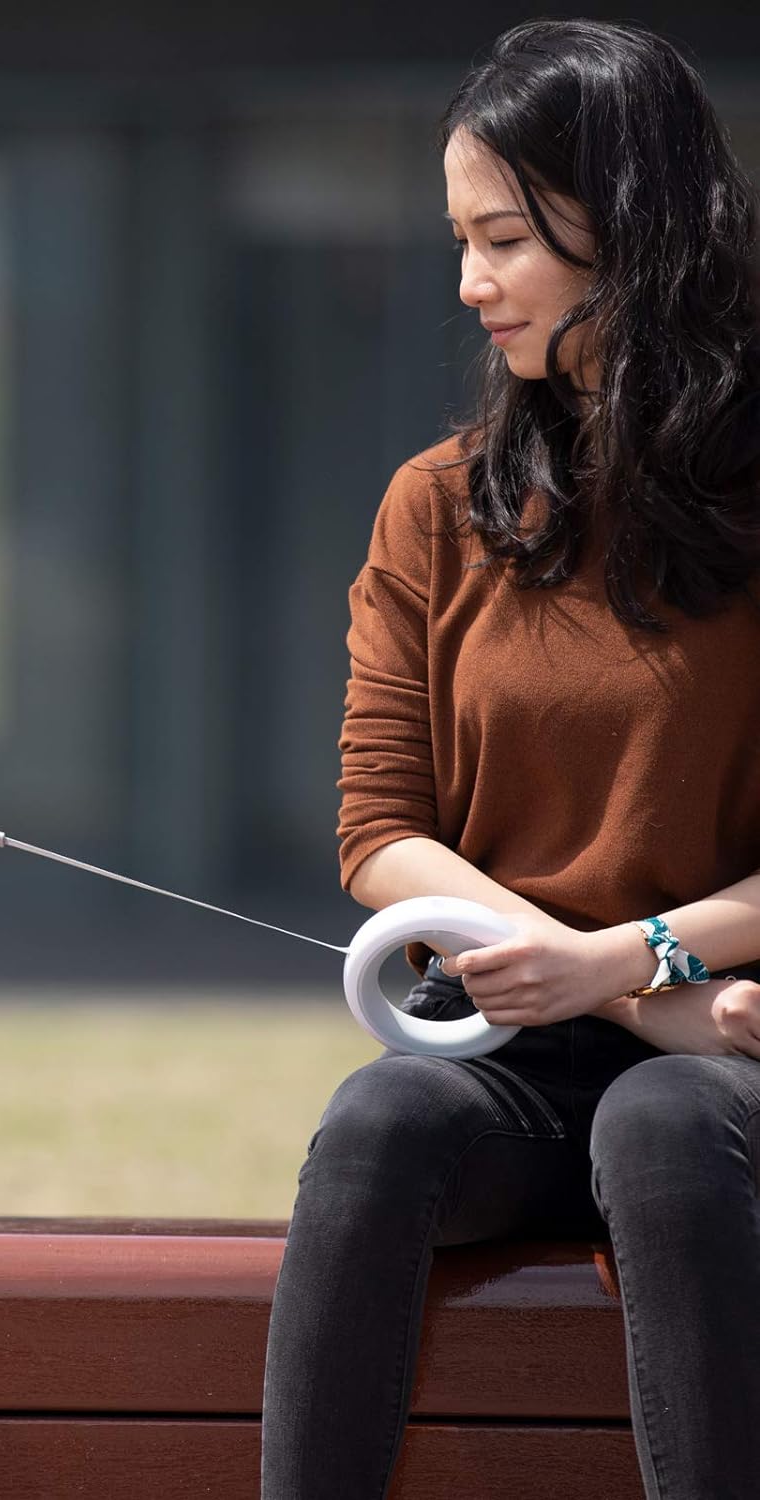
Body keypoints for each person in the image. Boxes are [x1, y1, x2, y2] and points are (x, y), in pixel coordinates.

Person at [260, 19, 760, 1500]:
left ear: (632, 227)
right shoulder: (436, 506)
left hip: (730, 1053)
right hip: (516, 1051)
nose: (470, 283)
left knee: (670, 1128)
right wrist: (592, 975)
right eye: (460, 240)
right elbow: (380, 833)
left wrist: (640, 974)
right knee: (376, 1122)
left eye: (505, 240)